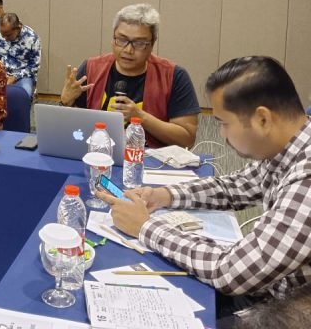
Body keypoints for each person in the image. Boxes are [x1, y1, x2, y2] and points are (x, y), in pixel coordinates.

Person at [99, 56, 311, 302]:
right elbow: (235, 187)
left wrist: (145, 227)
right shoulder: (288, 147)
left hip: (285, 310)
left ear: (262, 119)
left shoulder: (306, 180)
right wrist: (163, 195)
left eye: (224, 123)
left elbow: (231, 272)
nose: (221, 135)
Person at [59, 3, 199, 148]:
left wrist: (141, 117)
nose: (128, 50)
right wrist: (65, 102)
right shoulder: (91, 69)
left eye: (139, 43)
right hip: (97, 153)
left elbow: (187, 139)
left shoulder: (174, 76)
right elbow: (68, 130)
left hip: (149, 158)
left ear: (152, 44)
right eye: (122, 40)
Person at [0, 13, 41, 99]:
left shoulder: (32, 38)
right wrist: (0, 73)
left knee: (23, 96)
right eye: (2, 35)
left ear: (18, 28)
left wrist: (15, 77)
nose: (5, 38)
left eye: (8, 35)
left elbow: (34, 66)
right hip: (2, 72)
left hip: (23, 75)